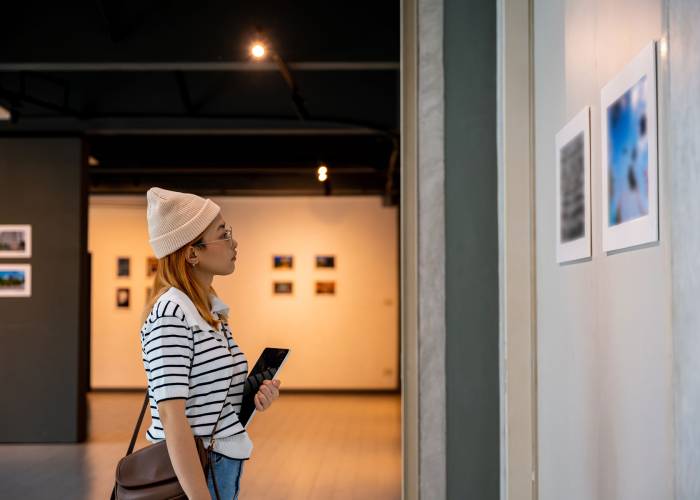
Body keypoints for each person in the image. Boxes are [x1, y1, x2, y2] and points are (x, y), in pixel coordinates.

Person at [139, 186, 281, 499]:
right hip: (194, 473)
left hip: (219, 463)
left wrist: (252, 398)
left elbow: (207, 400)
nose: (234, 242)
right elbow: (171, 416)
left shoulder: (210, 310)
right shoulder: (171, 313)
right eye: (223, 233)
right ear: (191, 252)